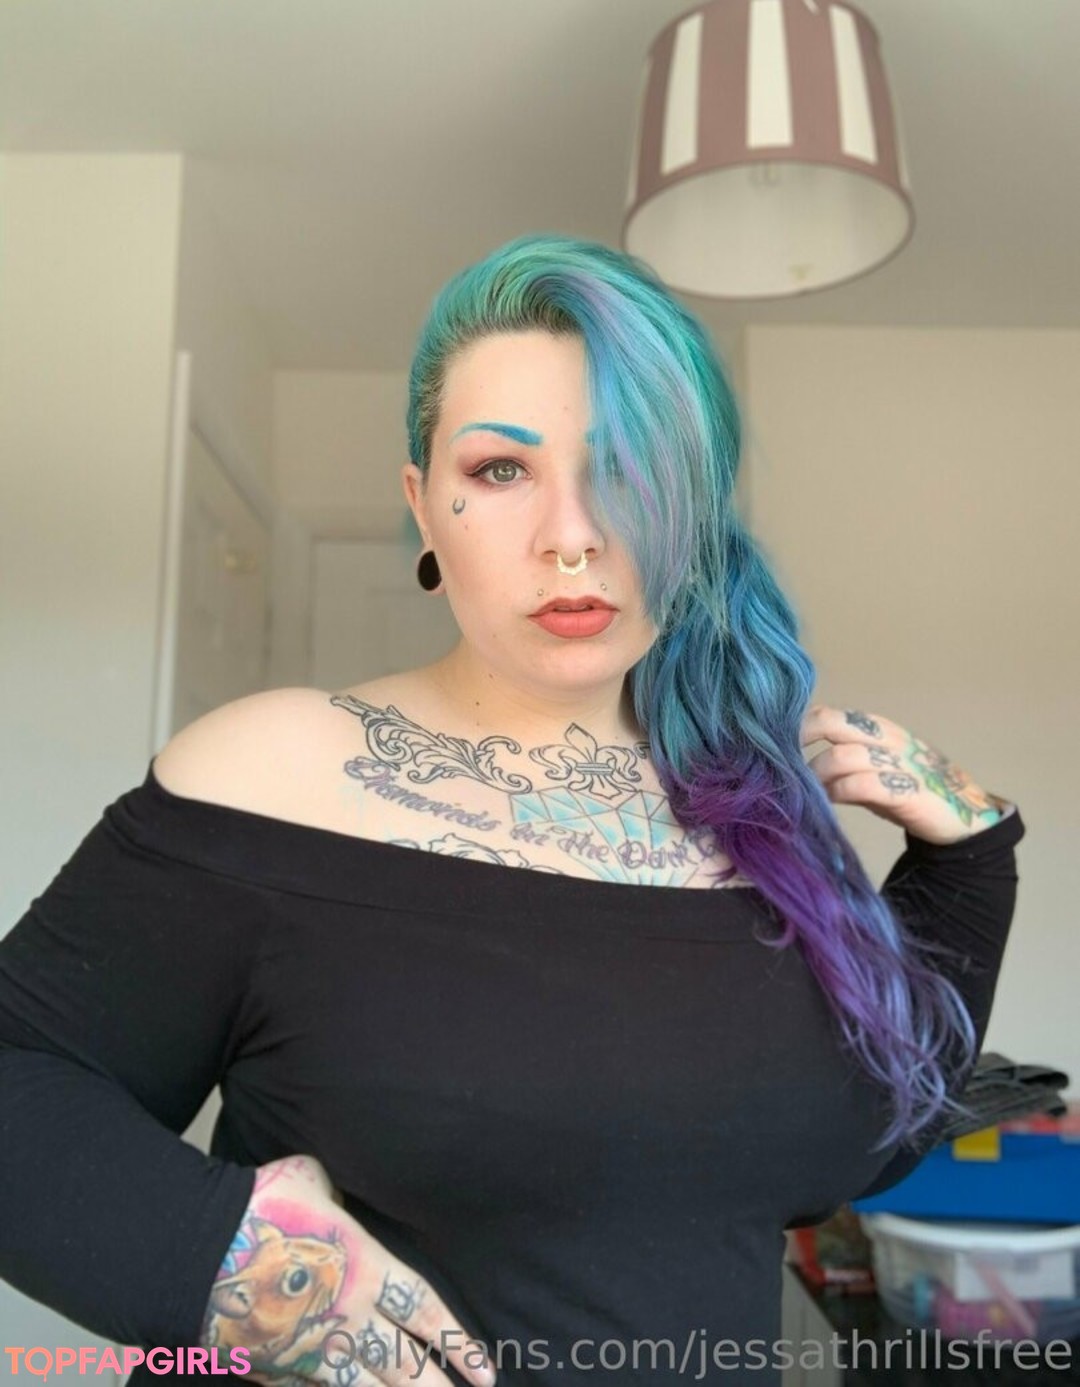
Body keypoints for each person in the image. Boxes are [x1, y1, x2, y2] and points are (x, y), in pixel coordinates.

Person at [0, 234, 1025, 1386]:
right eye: (500, 470)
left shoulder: (759, 815)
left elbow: (863, 1138)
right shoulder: (272, 769)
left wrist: (970, 863)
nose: (571, 535)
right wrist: (217, 1257)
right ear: (424, 508)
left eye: (630, 469)